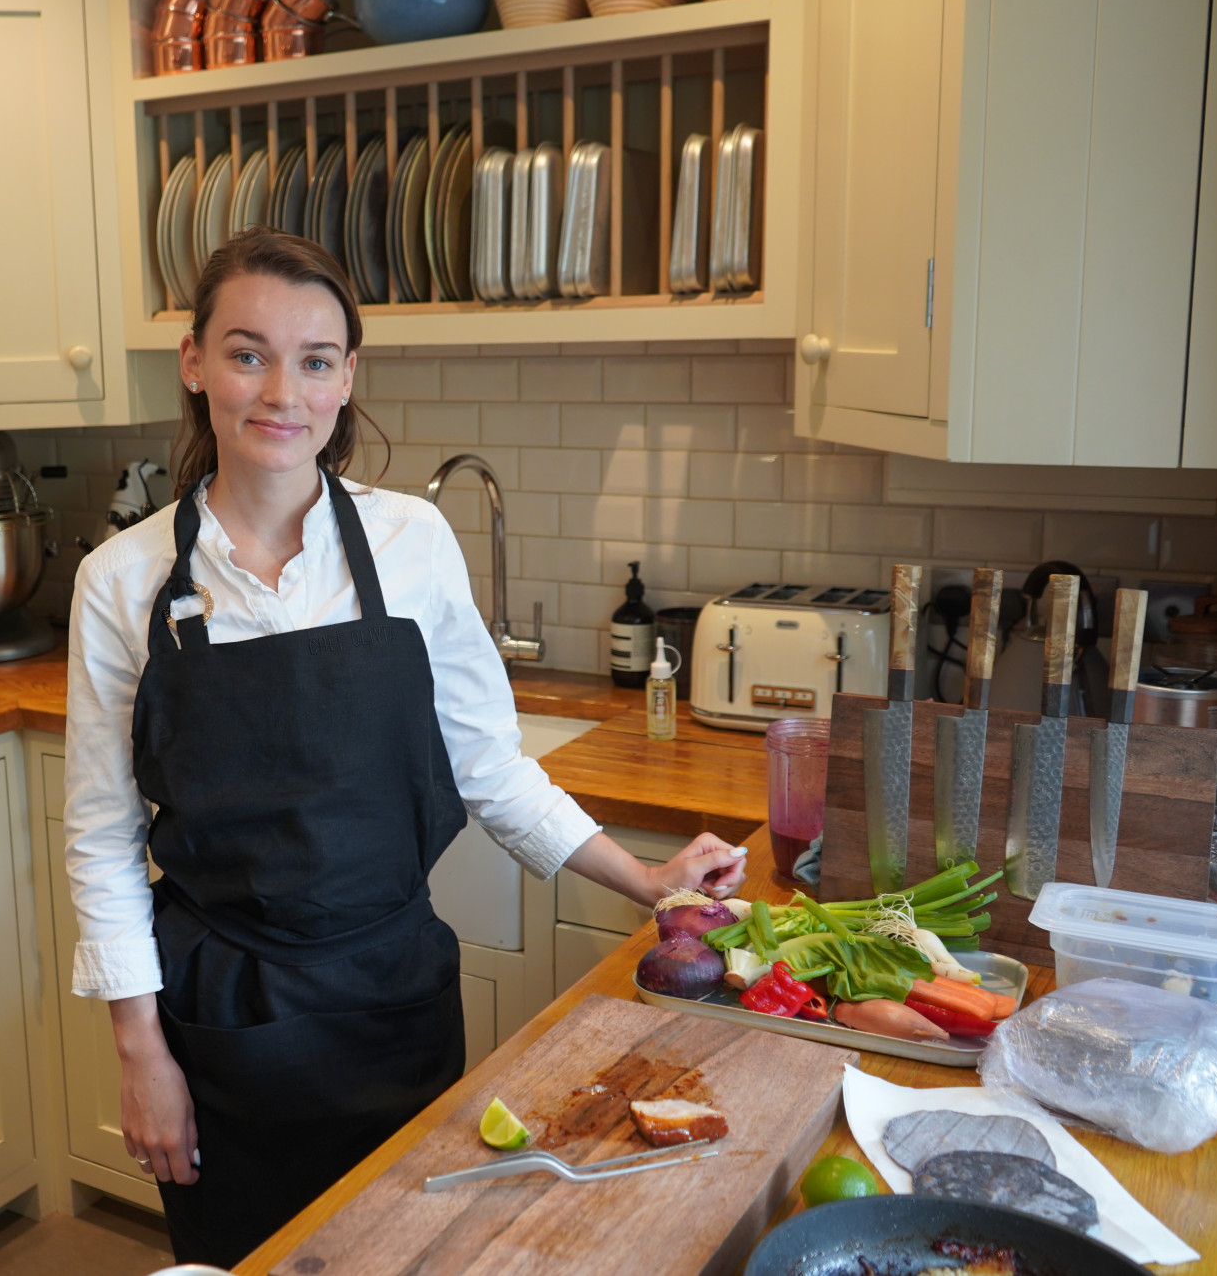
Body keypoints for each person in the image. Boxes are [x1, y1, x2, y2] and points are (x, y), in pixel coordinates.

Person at [63, 228, 749, 1268]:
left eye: (314, 359)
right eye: (247, 353)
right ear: (193, 362)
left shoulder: (409, 544)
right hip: (221, 1021)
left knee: (413, 1252)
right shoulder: (120, 581)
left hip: (392, 997)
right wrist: (139, 1053)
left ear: (348, 379)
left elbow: (488, 767)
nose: (279, 391)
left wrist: (645, 878)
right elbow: (102, 839)